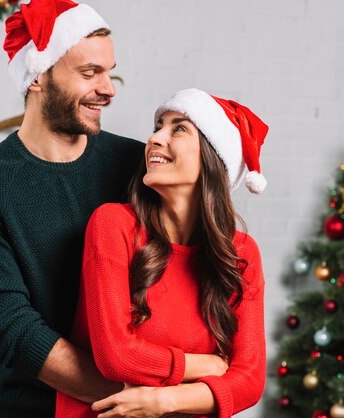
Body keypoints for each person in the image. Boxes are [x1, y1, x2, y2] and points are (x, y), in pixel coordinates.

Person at [0, 0, 144, 416]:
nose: (108, 88)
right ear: (38, 76)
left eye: (110, 72)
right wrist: (128, 395)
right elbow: (12, 328)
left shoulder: (137, 164)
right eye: (90, 73)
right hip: (38, 407)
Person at [56, 88, 269, 417]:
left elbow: (250, 380)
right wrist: (206, 366)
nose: (155, 138)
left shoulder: (241, 253)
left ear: (213, 156)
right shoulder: (114, 225)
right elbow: (116, 356)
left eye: (178, 128)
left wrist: (162, 401)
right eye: (158, 126)